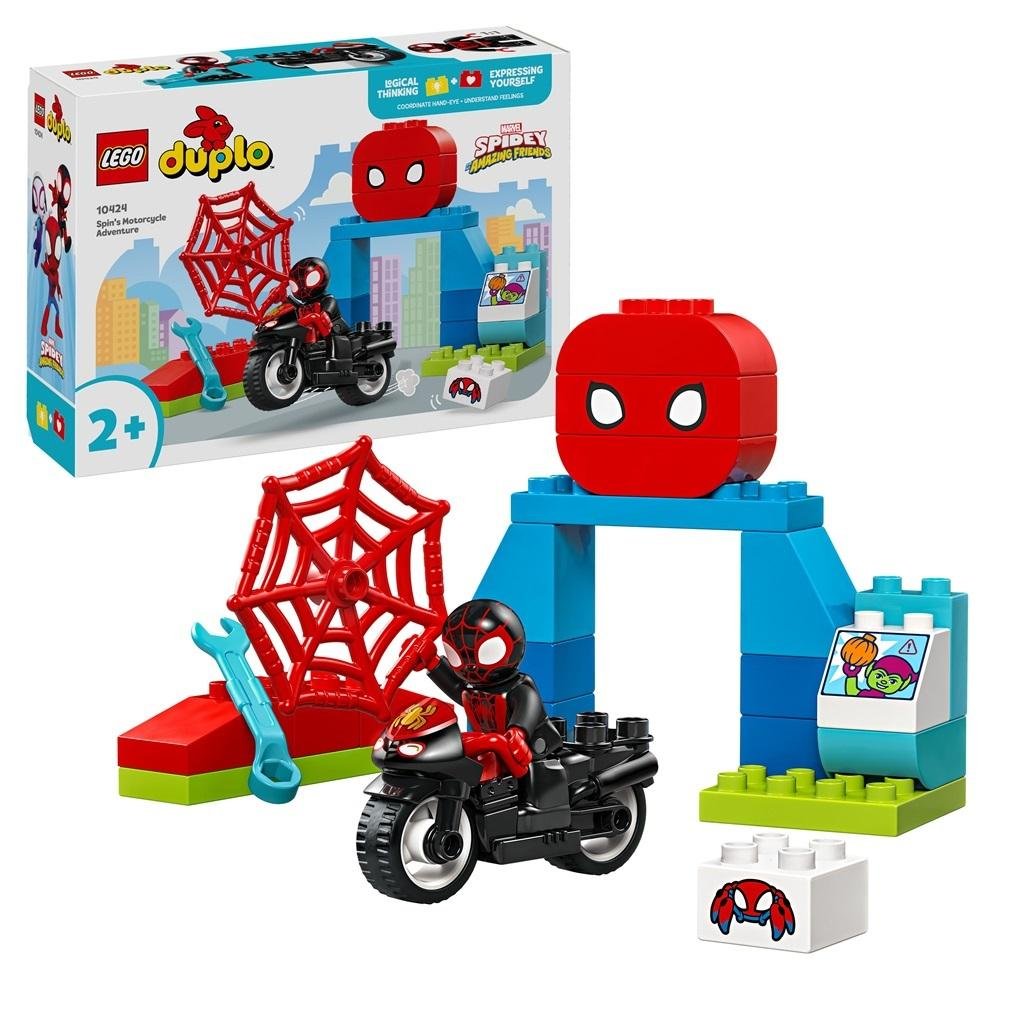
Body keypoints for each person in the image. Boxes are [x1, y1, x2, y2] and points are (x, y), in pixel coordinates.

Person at [414, 599, 562, 781]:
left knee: (536, 783)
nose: (471, 666)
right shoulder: (472, 690)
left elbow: (527, 709)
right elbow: (456, 688)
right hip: (495, 749)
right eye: (458, 656)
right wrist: (433, 663)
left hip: (534, 750)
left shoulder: (520, 687)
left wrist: (518, 732)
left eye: (488, 652)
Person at [285, 257, 352, 371]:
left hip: (336, 331)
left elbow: (327, 311)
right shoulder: (306, 305)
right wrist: (286, 298)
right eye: (296, 284)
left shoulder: (328, 299)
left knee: (321, 321)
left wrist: (322, 315)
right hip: (316, 335)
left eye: (310, 279)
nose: (303, 287)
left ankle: (333, 360)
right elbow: (298, 307)